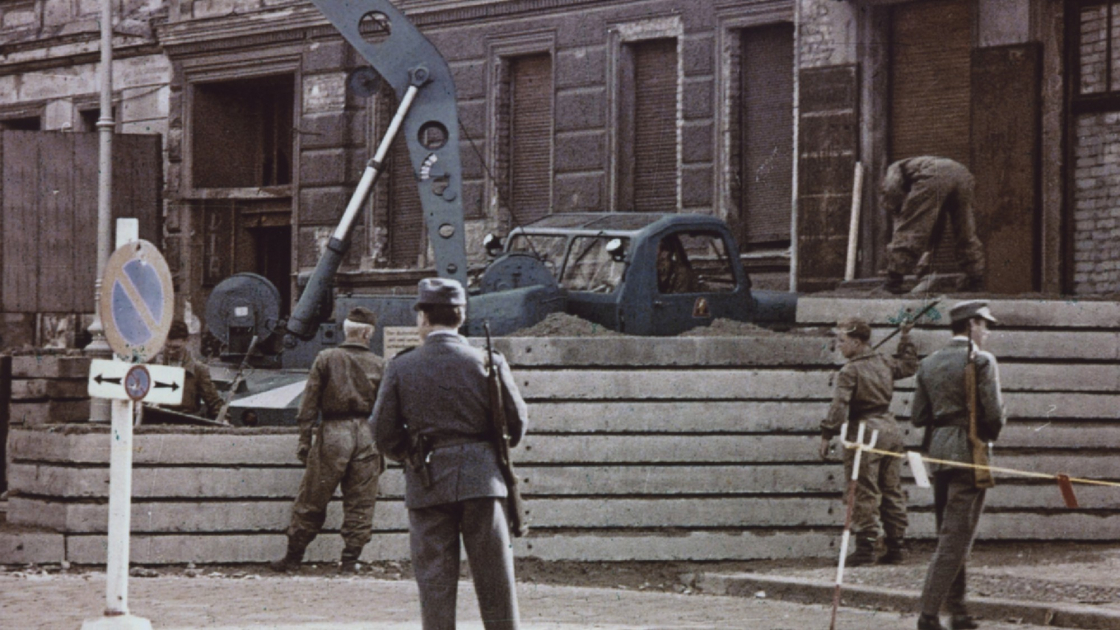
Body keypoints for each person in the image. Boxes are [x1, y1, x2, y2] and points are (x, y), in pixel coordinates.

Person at [371, 277, 529, 630]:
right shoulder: (489, 361)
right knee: (497, 584)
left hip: (428, 481)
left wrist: (410, 454)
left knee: (435, 585)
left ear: (424, 318)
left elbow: (381, 430)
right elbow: (516, 423)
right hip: (483, 481)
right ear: (460, 317)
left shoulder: (402, 365)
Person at [911, 300, 1006, 630]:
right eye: (985, 325)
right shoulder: (982, 360)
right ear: (972, 325)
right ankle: (928, 613)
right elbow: (993, 414)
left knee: (951, 534)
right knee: (955, 539)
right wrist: (986, 437)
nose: (987, 332)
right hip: (969, 453)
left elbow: (919, 416)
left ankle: (959, 611)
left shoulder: (929, 363)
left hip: (939, 456)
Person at [271, 306, 385, 574]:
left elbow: (308, 403)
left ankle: (293, 557)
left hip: (333, 433)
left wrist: (304, 439)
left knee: (312, 496)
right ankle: (349, 561)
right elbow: (387, 409)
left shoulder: (326, 358)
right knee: (361, 501)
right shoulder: (381, 364)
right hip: (367, 434)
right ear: (367, 333)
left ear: (346, 331)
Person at [819, 316, 918, 566]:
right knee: (891, 488)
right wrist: (906, 338)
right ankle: (897, 546)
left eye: (842, 341)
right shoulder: (884, 361)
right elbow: (908, 366)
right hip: (889, 428)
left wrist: (827, 434)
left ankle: (865, 547)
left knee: (862, 488)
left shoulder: (850, 370)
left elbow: (839, 406)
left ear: (856, 341)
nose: (838, 346)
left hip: (864, 431)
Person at [880, 156, 985, 294]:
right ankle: (975, 278)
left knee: (911, 227)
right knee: (965, 228)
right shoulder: (917, 168)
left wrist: (900, 214)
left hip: (934, 173)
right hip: (963, 174)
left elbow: (897, 206)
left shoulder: (894, 169)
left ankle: (893, 280)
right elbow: (936, 226)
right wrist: (927, 256)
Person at [157, 320, 223, 420]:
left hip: (186, 421)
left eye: (176, 348)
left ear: (186, 341)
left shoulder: (199, 370)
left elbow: (214, 403)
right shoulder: (155, 366)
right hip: (155, 419)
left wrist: (223, 419)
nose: (171, 352)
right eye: (168, 346)